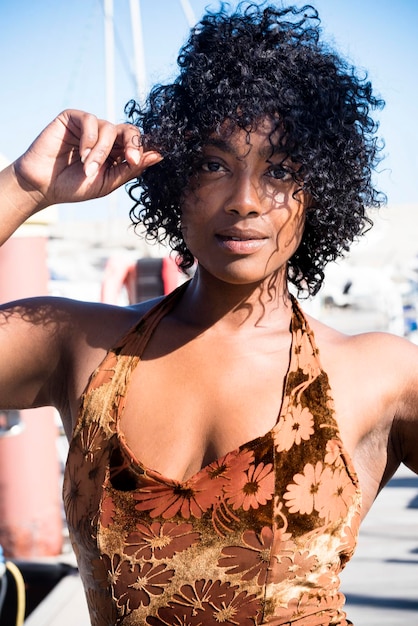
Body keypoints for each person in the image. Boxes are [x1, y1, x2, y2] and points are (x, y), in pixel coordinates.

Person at [1, 2, 417, 624]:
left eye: (280, 170)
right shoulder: (79, 345)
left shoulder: (377, 373)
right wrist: (25, 187)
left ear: (321, 190)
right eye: (214, 164)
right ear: (174, 183)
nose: (245, 201)